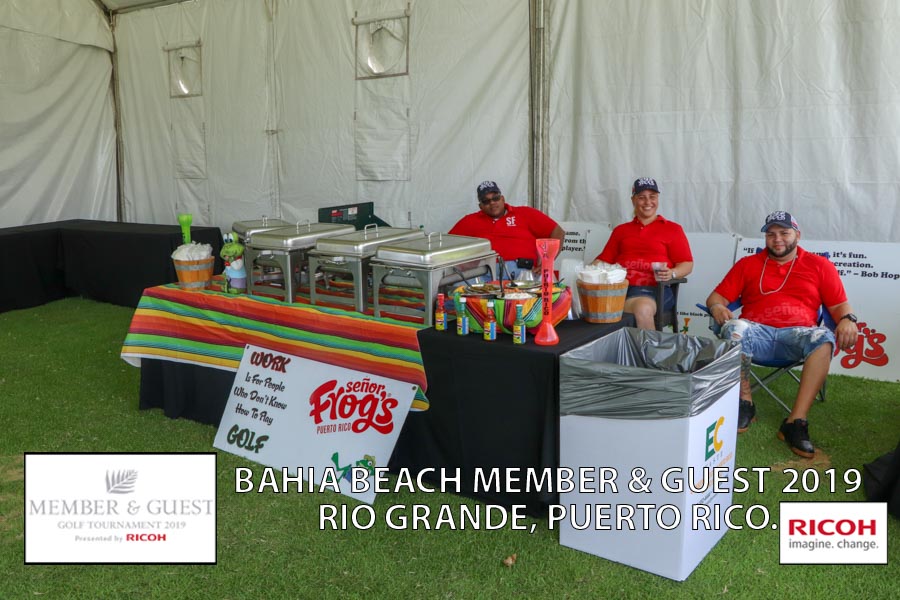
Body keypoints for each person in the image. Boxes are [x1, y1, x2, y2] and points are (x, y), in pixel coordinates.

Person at [705, 211, 859, 458]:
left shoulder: (819, 265)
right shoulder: (748, 264)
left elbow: (839, 305)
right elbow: (716, 297)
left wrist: (848, 319)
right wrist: (717, 307)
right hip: (756, 332)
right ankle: (745, 403)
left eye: (784, 233)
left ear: (797, 235)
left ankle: (795, 422)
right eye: (771, 234)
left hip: (798, 335)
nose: (777, 239)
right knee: (735, 328)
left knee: (823, 339)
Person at [592, 178, 693, 329]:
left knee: (642, 308)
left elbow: (687, 264)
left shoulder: (673, 229)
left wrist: (672, 273)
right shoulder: (621, 230)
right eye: (641, 197)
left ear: (657, 199)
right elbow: (603, 261)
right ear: (633, 200)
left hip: (657, 289)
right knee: (588, 299)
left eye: (652, 197)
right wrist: (585, 272)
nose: (648, 202)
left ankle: (649, 346)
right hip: (620, 288)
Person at [449, 181, 565, 280]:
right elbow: (447, 243)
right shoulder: (470, 221)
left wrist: (547, 262)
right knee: (456, 286)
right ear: (481, 206)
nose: (492, 203)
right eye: (486, 201)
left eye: (495, 198)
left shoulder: (525, 213)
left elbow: (558, 232)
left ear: (502, 199)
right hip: (484, 273)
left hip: (521, 271)